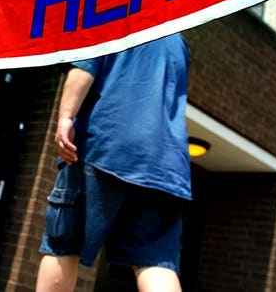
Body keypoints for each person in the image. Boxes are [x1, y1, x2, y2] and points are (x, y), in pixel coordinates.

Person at [36, 34, 192, 292]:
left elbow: (85, 67)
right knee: (156, 262)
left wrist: (65, 117)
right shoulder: (178, 38)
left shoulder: (116, 12)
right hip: (165, 165)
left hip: (105, 146)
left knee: (63, 243)